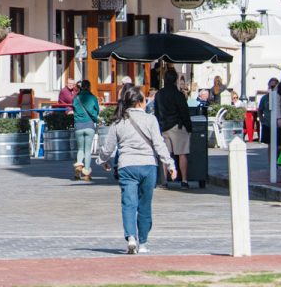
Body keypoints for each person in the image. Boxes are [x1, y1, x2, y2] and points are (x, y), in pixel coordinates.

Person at [97, 85, 177, 255]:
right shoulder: (151, 120)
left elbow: (108, 147)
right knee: (145, 205)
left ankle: (131, 237)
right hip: (149, 166)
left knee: (128, 203)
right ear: (141, 102)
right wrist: (169, 164)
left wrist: (102, 160)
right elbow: (159, 144)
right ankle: (144, 243)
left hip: (127, 165)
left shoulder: (119, 121)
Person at [152, 68, 192, 189]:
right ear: (175, 79)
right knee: (182, 154)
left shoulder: (159, 94)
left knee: (165, 154)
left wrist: (159, 125)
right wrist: (189, 127)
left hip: (164, 126)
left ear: (164, 79)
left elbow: (157, 112)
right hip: (178, 126)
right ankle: (184, 180)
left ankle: (164, 180)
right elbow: (184, 112)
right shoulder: (178, 94)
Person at [72, 80, 100, 182]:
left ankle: (78, 166)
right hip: (89, 125)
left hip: (78, 126)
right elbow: (96, 111)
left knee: (80, 149)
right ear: (89, 87)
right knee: (87, 151)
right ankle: (86, 174)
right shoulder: (93, 97)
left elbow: (74, 109)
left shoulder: (76, 98)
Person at [256, 78, 278, 147]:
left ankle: (278, 158)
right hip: (267, 124)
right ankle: (270, 158)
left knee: (279, 146)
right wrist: (262, 119)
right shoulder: (264, 98)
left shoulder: (280, 97)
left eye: (274, 86)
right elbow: (260, 110)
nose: (272, 88)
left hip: (278, 124)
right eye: (270, 86)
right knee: (270, 145)